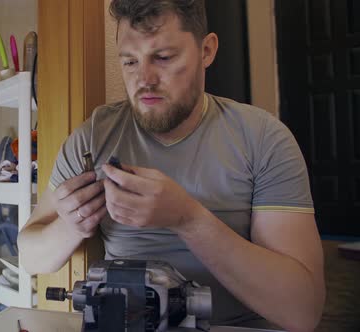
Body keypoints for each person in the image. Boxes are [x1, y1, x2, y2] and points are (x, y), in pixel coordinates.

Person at [17, 0, 325, 330]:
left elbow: (301, 310)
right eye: (130, 61)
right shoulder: (93, 138)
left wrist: (187, 219)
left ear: (206, 50)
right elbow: (31, 258)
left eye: (163, 58)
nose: (144, 79)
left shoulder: (263, 139)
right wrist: (73, 223)